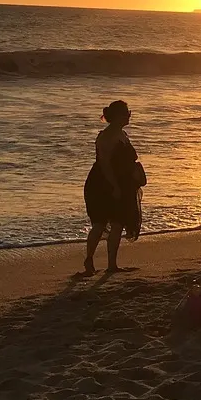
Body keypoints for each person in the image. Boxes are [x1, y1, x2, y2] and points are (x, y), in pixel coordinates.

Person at [83, 99, 146, 275]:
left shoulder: (121, 134)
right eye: (127, 113)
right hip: (102, 184)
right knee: (100, 223)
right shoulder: (106, 137)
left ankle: (112, 265)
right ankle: (89, 260)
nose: (129, 116)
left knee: (118, 223)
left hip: (121, 182)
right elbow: (104, 165)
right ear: (118, 116)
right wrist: (115, 187)